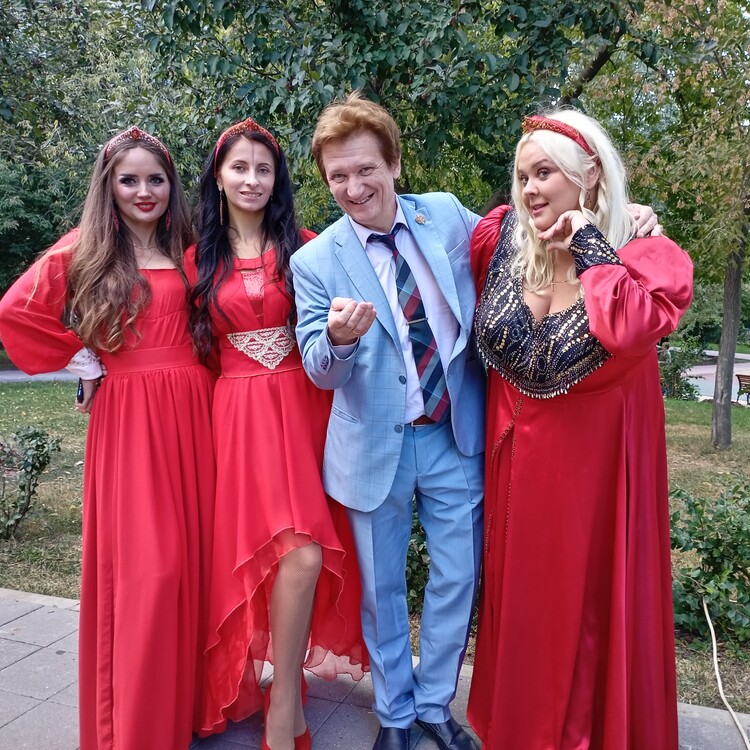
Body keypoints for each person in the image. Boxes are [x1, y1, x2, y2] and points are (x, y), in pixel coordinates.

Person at [465, 110, 693, 749]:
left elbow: (632, 322)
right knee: (525, 616)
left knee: (584, 621)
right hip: (515, 478)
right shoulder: (502, 240)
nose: (529, 189)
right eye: (522, 176)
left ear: (588, 174)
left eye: (544, 173)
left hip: (593, 490)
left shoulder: (644, 259)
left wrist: (590, 239)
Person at [0, 127, 216, 750]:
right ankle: (138, 724)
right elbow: (16, 311)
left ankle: (188, 708)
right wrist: (83, 358)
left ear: (172, 186)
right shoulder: (87, 248)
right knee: (152, 570)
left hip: (196, 411)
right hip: (131, 420)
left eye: (156, 179)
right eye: (129, 180)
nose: (144, 191)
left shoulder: (190, 243)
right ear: (108, 186)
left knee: (196, 561)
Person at [289, 93, 486, 750]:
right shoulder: (315, 261)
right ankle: (396, 714)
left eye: (365, 169)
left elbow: (521, 241)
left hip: (453, 433)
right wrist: (339, 341)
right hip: (374, 448)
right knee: (382, 589)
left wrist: (610, 217)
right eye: (338, 176)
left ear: (394, 163)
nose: (353, 188)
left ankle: (434, 705)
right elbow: (318, 368)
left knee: (457, 578)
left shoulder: (448, 215)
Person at [188, 118, 367, 750]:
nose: (252, 179)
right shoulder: (195, 260)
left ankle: (285, 694)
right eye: (239, 167)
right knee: (276, 554)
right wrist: (90, 370)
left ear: (278, 179)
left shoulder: (308, 248)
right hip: (236, 418)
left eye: (264, 169)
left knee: (305, 554)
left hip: (304, 407)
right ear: (218, 177)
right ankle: (280, 702)